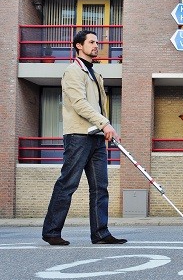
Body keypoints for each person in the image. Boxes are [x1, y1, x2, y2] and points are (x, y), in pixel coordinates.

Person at [42, 30, 127, 245]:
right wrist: (104, 123)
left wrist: (103, 127)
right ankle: (51, 231)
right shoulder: (73, 71)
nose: (96, 45)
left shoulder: (96, 74)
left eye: (97, 42)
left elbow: (98, 106)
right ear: (79, 46)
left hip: (97, 138)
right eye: (91, 42)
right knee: (68, 183)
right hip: (78, 137)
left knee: (100, 187)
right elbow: (80, 104)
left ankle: (100, 233)